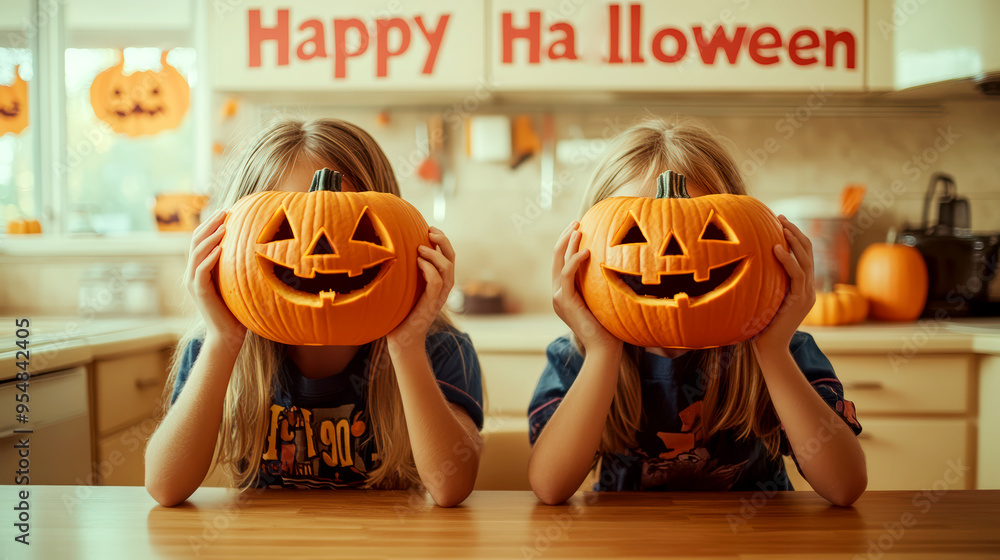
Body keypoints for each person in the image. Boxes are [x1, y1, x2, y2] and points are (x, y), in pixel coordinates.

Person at [145, 118, 483, 508]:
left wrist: (406, 345)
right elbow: (165, 487)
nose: (319, 249)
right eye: (287, 226)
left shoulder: (438, 347)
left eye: (351, 225)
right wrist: (224, 339)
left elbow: (451, 488)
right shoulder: (216, 347)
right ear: (229, 238)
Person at [528, 118, 866, 506]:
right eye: (635, 233)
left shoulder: (784, 349)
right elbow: (550, 487)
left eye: (708, 230)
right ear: (580, 250)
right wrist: (602, 349)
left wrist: (772, 348)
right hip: (627, 544)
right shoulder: (576, 355)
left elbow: (845, 485)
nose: (670, 252)